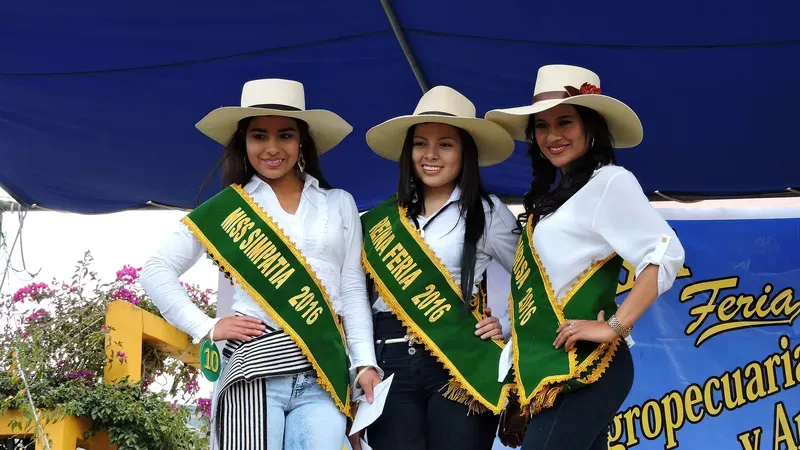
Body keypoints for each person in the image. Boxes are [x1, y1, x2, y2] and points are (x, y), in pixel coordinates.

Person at [139, 78, 382, 450]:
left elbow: (351, 290)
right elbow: (155, 270)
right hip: (255, 364)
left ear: (302, 141)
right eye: (258, 136)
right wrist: (206, 326)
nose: (272, 147)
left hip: (323, 370)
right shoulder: (228, 209)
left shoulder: (339, 203)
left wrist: (364, 364)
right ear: (243, 142)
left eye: (285, 135)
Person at [484, 64, 686, 449]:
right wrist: (508, 330)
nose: (552, 136)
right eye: (541, 126)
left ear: (590, 128)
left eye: (565, 122)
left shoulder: (610, 182)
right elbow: (552, 283)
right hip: (551, 368)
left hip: (586, 369)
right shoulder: (551, 201)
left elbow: (665, 252)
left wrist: (615, 325)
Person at [359, 85, 519, 450]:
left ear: (466, 152)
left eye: (445, 144)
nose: (430, 155)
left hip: (458, 361)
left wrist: (506, 327)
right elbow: (355, 298)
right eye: (420, 143)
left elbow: (535, 281)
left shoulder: (488, 211)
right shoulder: (377, 221)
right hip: (389, 361)